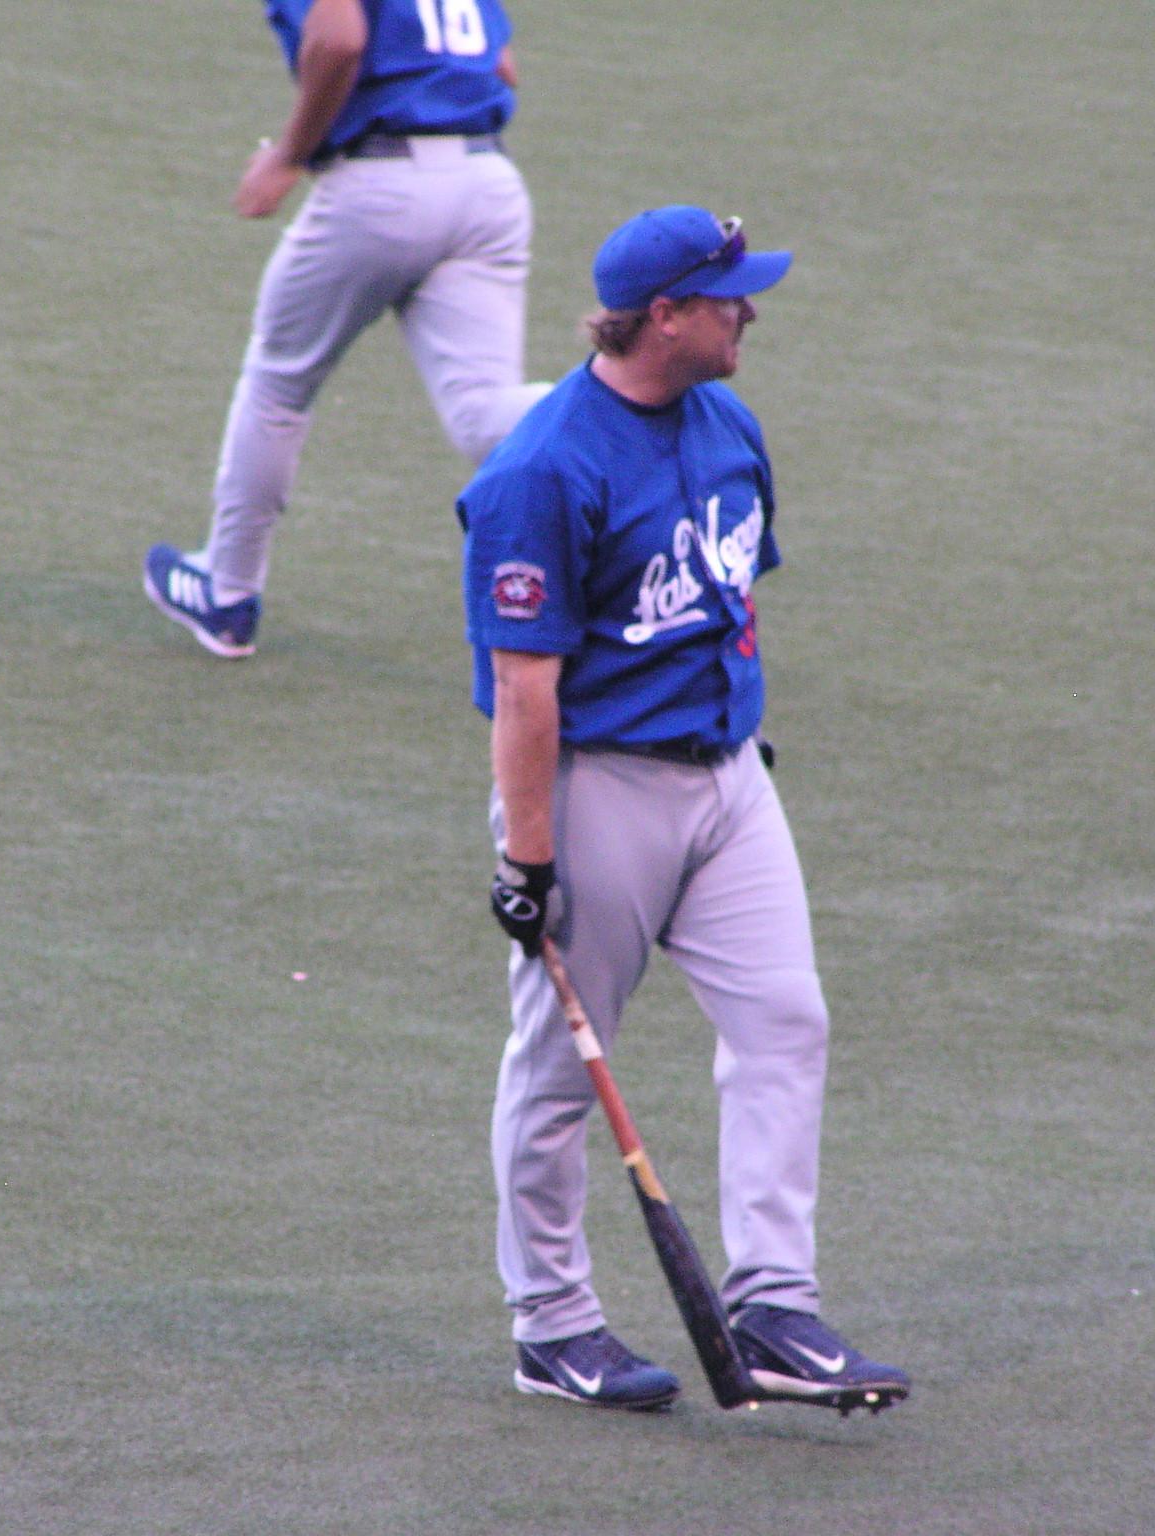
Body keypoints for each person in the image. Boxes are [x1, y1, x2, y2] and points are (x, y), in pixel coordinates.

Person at [457, 205, 912, 1414]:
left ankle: (772, 1307)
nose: (748, 311)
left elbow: (731, 597)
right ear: (662, 316)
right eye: (726, 297)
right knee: (560, 1070)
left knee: (784, 1020)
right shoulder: (542, 469)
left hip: (728, 780)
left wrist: (732, 731)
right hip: (597, 790)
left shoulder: (727, 424)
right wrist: (528, 862)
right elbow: (524, 687)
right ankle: (551, 1326)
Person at [144, 0, 550, 658]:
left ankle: (227, 592)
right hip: (488, 181)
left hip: (379, 184)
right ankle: (631, 419)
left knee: (279, 385)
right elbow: (501, 65)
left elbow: (338, 40)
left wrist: (289, 156)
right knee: (483, 410)